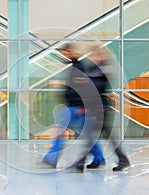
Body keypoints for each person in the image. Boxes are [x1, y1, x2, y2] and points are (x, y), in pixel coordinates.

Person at [43, 43, 105, 172]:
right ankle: (99, 158)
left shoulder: (79, 67)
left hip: (77, 107)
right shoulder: (74, 65)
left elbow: (84, 88)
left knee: (62, 131)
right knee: (87, 135)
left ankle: (52, 158)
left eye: (65, 51)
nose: (64, 54)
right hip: (73, 106)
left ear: (70, 51)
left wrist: (84, 106)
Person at [86, 46, 130, 171]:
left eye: (93, 55)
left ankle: (120, 159)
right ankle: (98, 159)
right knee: (91, 134)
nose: (91, 57)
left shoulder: (102, 68)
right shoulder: (95, 69)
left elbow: (97, 86)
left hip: (100, 107)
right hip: (97, 106)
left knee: (96, 134)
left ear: (100, 56)